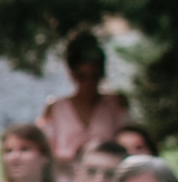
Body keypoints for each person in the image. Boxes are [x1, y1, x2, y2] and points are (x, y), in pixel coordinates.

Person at [38, 31, 131, 164]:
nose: (88, 84)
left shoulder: (116, 103)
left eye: (94, 76)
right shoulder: (55, 108)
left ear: (101, 74)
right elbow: (44, 151)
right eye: (81, 77)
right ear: (72, 74)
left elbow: (128, 144)